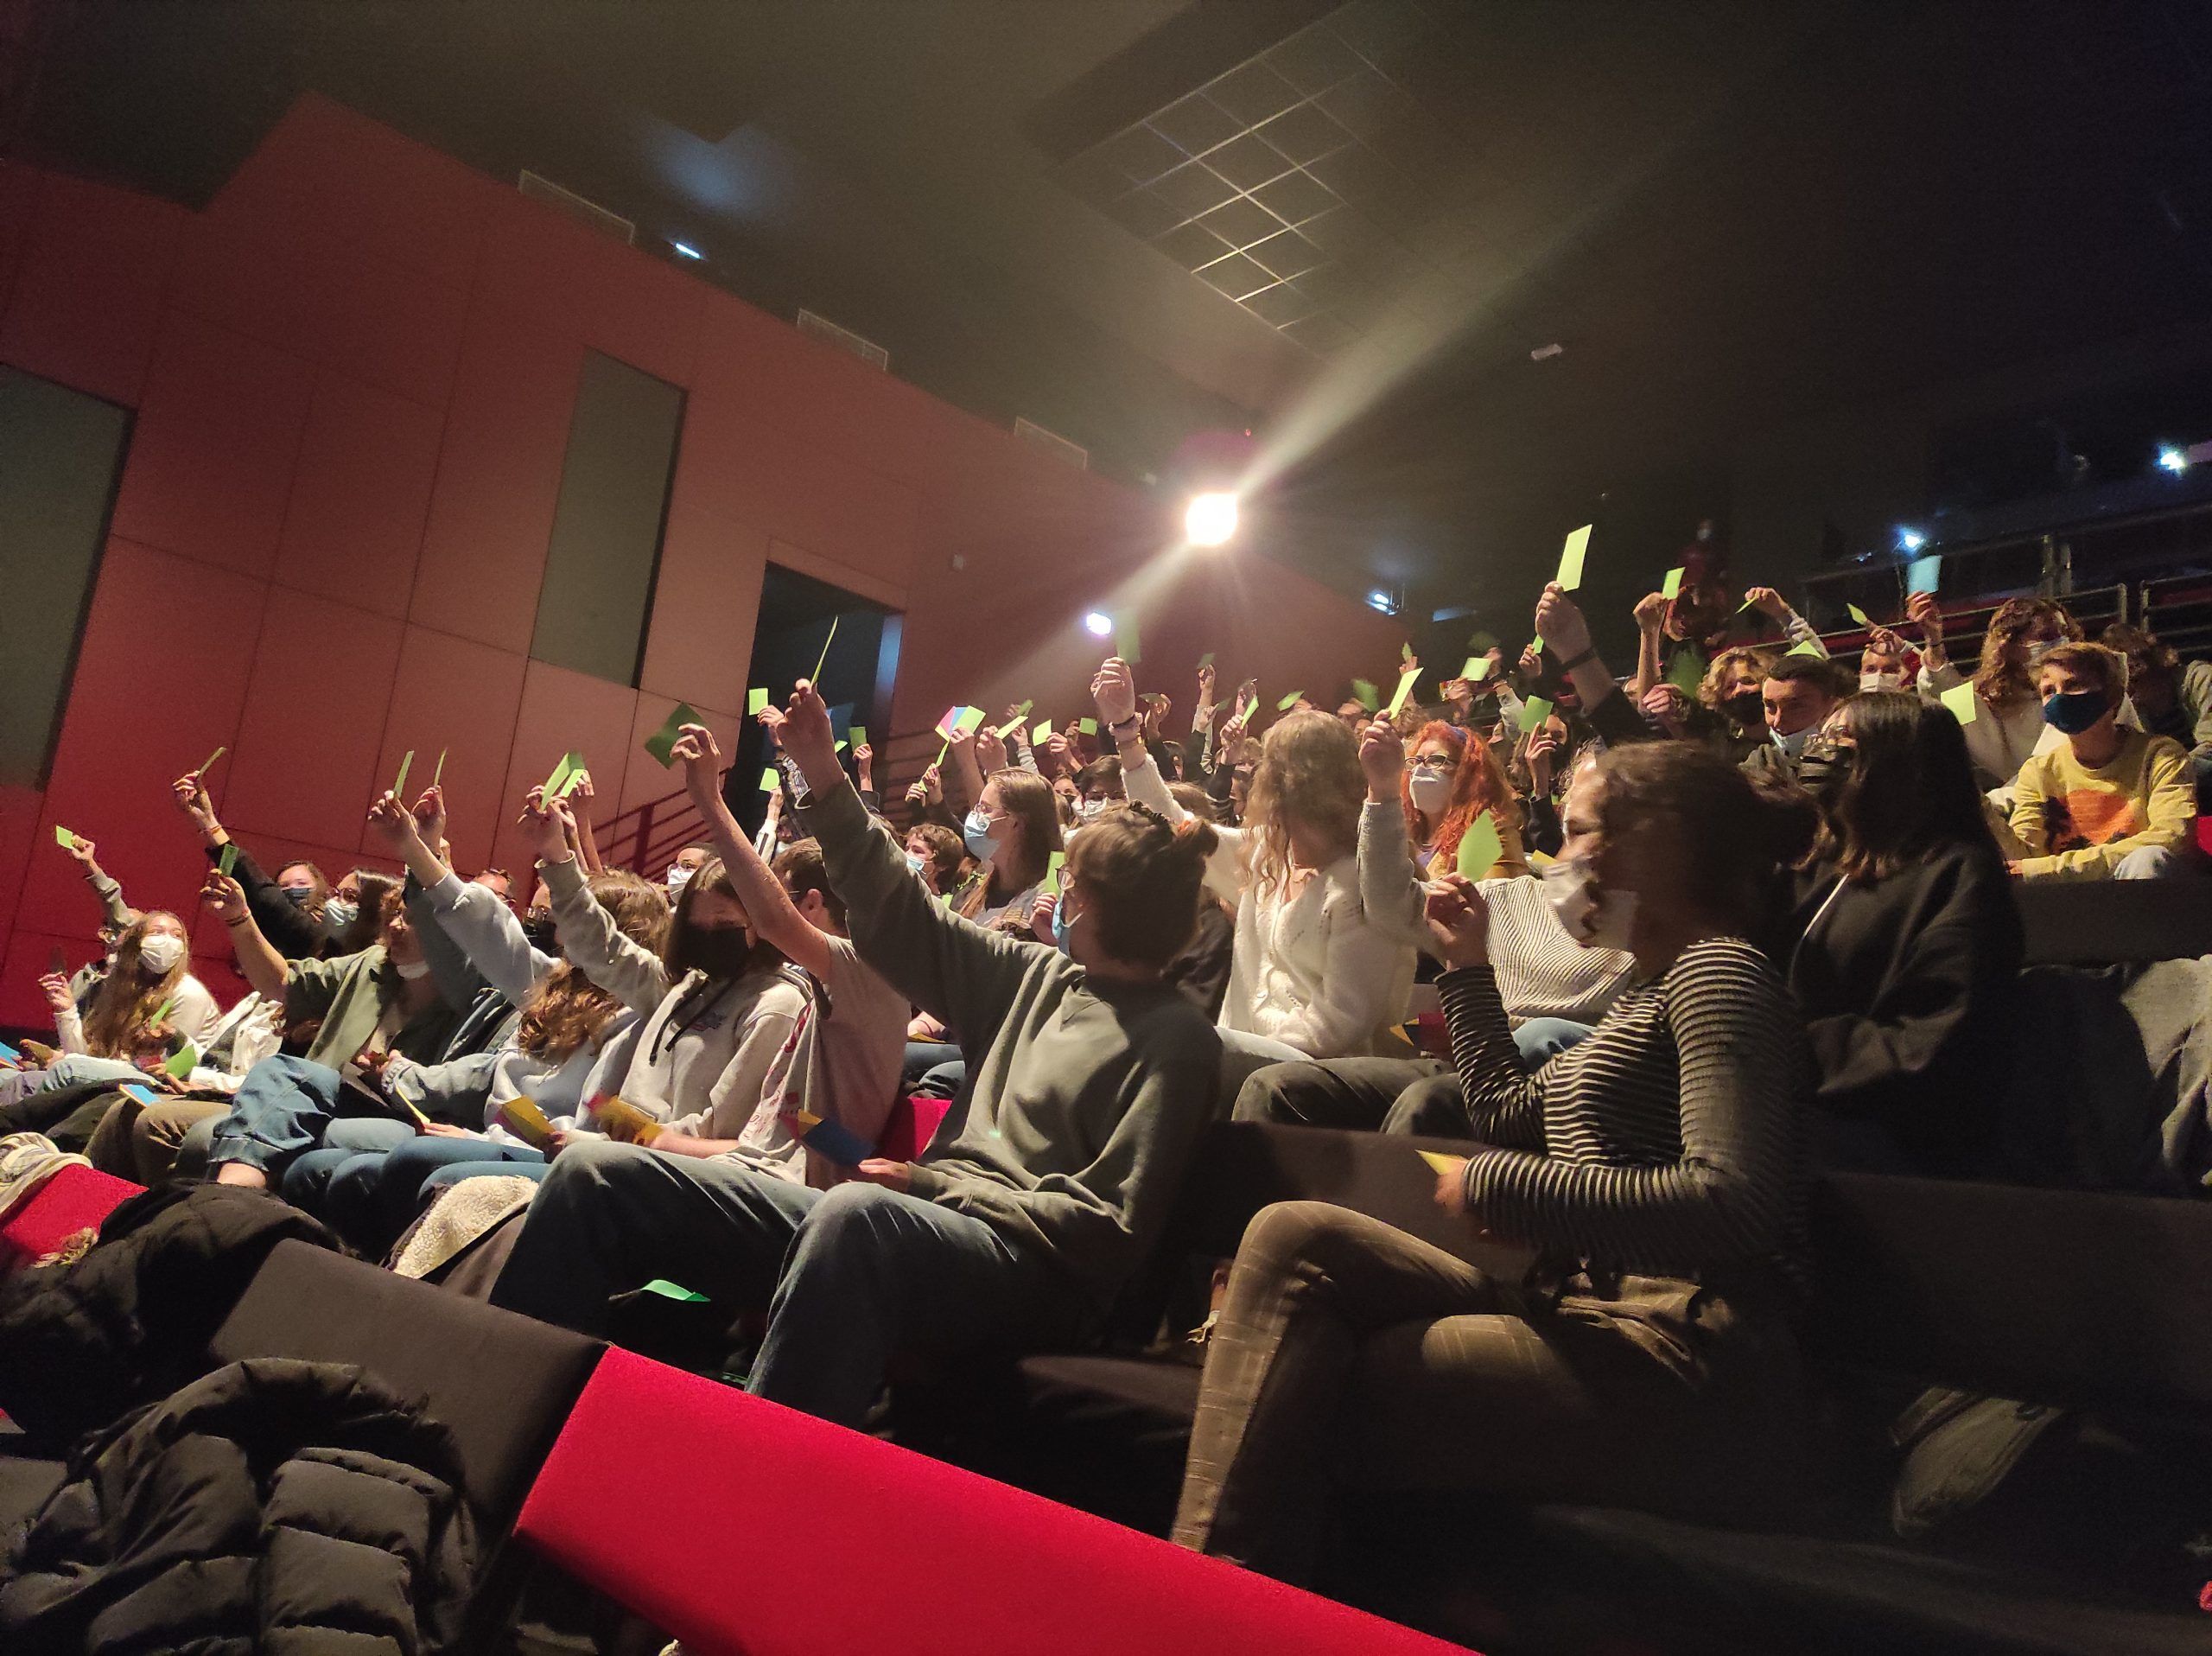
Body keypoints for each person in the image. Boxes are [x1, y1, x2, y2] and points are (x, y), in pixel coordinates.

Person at [489, 680, 1223, 1432]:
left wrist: (939, 1188)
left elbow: (1107, 1228)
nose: (1057, 899)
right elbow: (904, 910)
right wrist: (825, 780)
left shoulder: (1180, 1042)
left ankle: (754, 1477)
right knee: (596, 1174)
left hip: (1025, 1270)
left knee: (855, 1216)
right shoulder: (1036, 975)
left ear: (1102, 905)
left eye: (1072, 887)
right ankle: (508, 1428)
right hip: (915, 1217)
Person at [1172, 741, 1812, 1585]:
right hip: (1597, 1315)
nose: (1562, 860)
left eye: (1582, 833)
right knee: (1294, 1233)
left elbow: (1733, 1200)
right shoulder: (1644, 994)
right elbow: (1508, 1111)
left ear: (1658, 842)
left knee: (1333, 1378)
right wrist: (1467, 968)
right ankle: (1215, 1591)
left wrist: (1507, 1184)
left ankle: (1214, 1599)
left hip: (1684, 1355)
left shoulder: (1719, 971)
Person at [288, 791, 672, 1253]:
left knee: (406, 1161)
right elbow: (486, 930)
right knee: (318, 1169)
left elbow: (588, 1136)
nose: (554, 923)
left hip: (556, 1160)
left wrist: (558, 852)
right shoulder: (555, 984)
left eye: (576, 915)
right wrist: (413, 847)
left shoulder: (647, 1008)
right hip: (488, 1140)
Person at [1242, 745, 1638, 1132]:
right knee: (1276, 1088)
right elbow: (1388, 901)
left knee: (1489, 1066)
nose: (1567, 854)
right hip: (1469, 1061)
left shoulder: (1658, 953)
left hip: (1552, 1089)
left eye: (1581, 830)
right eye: (1565, 828)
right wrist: (1381, 792)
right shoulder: (1508, 899)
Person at [1100, 657, 1414, 1099]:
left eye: (1266, 766)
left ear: (1286, 782)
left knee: (1157, 1048)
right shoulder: (1268, 851)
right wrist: (1127, 730)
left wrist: (1219, 1052)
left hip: (1316, 1088)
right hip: (1236, 1065)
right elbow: (1172, 824)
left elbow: (1339, 1025)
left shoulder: (1361, 884)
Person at [1783, 692, 2024, 1172]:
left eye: (1840, 744)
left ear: (1895, 766)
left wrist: (1783, 1050)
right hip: (1786, 1085)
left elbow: (1930, 1045)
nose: (1818, 753)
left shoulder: (1959, 876)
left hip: (1884, 1124)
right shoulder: (1820, 863)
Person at [197, 864, 466, 1190]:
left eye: (411, 919)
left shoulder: (468, 1003)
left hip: (392, 1117)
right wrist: (239, 919)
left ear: (449, 933)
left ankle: (229, 1193)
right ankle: (226, 1198)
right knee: (204, 1131)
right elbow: (281, 982)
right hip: (315, 1101)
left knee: (292, 1074)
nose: (396, 925)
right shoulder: (371, 963)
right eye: (395, 914)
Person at [2008, 642, 2196, 881]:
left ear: (2113, 697)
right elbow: (2022, 856)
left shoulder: (2160, 755)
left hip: (2136, 893)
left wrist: (2054, 869)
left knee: (2148, 858)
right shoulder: (2037, 771)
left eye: (2073, 685)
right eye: (2049, 691)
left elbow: (2172, 837)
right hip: (2067, 902)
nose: (2060, 698)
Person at [1909, 592, 2082, 791]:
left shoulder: (2083, 693)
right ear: (2009, 646)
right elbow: (1953, 699)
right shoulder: (2000, 703)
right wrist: (1934, 641)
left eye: (2064, 632)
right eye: (2047, 636)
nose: (2062, 642)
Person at [39, 909, 216, 1060]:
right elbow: (82, 1055)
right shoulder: (115, 987)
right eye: (157, 932)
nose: (167, 941)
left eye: (177, 935)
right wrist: (65, 1011)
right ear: (136, 942)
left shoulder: (188, 992)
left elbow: (158, 1065)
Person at [2102, 622, 2212, 806]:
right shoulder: (2134, 708)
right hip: (2177, 792)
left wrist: (2164, 774)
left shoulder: (2200, 677)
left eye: (2133, 683)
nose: (2129, 694)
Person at [1743, 653, 1849, 780]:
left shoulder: (1856, 766)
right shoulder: (1758, 764)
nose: (1777, 721)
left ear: (1833, 706)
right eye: (1770, 706)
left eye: (1795, 707)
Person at [903, 822, 967, 897]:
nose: (907, 854)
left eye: (917, 851)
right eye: (907, 849)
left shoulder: (946, 904)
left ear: (942, 865)